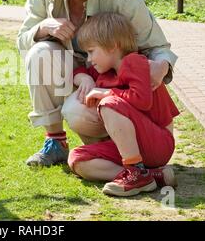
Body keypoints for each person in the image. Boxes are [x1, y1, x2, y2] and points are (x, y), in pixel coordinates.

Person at [17, 0, 178, 167]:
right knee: (39, 52)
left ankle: (124, 153)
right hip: (80, 73)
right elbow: (22, 40)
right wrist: (45, 27)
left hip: (117, 83)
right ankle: (56, 142)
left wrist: (162, 66)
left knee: (76, 112)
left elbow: (158, 47)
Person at [69, 12, 179, 197]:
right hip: (136, 147)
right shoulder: (106, 71)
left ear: (112, 46)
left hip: (158, 143)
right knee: (77, 159)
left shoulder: (136, 63)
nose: (89, 59)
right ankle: (151, 176)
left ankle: (135, 172)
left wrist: (105, 93)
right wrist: (85, 78)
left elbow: (142, 100)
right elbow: (79, 70)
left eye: (91, 51)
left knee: (109, 104)